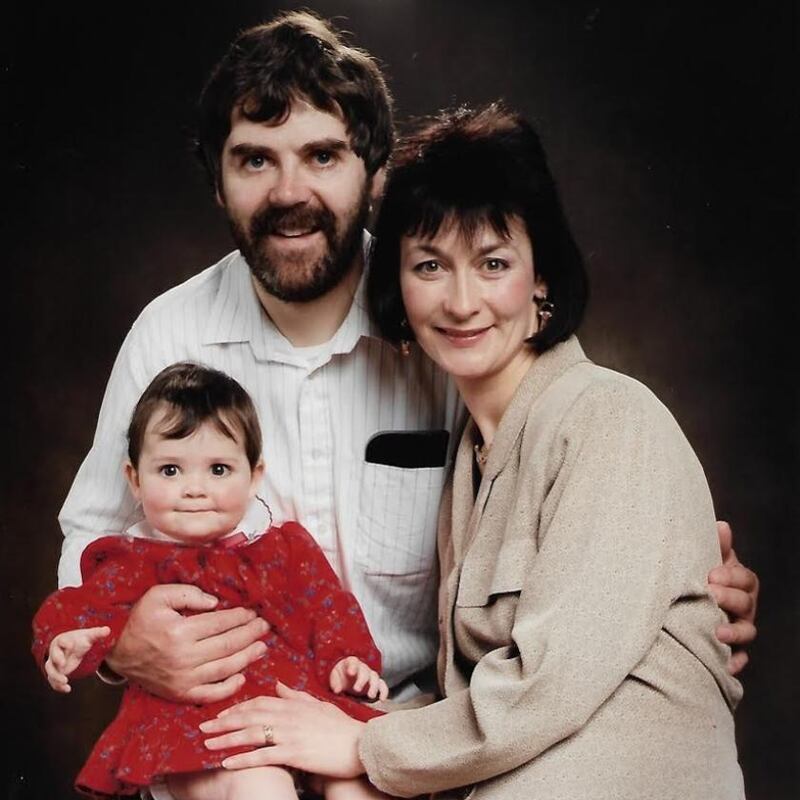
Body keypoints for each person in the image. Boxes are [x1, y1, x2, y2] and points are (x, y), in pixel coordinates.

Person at [57, 6, 756, 771]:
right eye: (256, 160)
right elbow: (91, 541)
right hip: (230, 733)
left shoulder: (448, 339)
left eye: (323, 155)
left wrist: (680, 579)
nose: (291, 191)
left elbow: (571, 497)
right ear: (218, 182)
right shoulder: (169, 335)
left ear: (374, 172)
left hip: (417, 734)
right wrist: (124, 646)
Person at [196, 104, 746, 800]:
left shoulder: (611, 417)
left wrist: (364, 741)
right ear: (398, 282)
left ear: (540, 277)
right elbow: (476, 694)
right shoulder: (474, 454)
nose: (461, 302)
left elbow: (548, 685)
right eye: (430, 265)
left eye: (493, 263)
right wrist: (329, 726)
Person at [35, 363, 390, 800]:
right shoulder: (132, 562)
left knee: (360, 784)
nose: (194, 488)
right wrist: (64, 639)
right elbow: (76, 607)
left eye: (218, 469)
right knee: (261, 787)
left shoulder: (286, 547)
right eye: (170, 471)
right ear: (135, 479)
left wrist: (348, 660)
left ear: (255, 475)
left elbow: (331, 607)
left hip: (298, 710)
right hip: (202, 731)